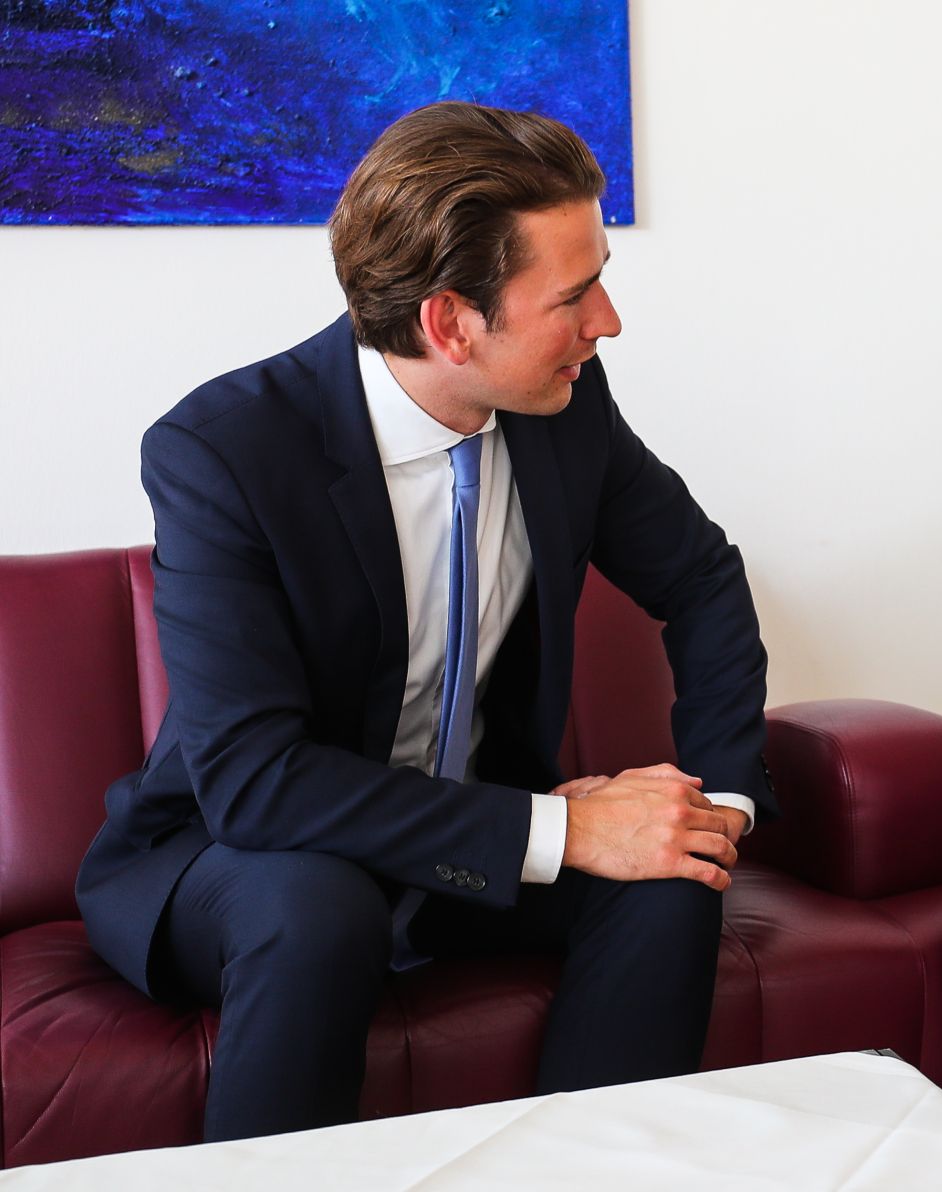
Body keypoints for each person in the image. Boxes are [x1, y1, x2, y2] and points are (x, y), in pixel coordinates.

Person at [76, 101, 775, 1142]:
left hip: (457, 842)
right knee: (318, 906)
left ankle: (592, 1175)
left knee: (672, 877)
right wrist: (563, 826)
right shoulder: (226, 451)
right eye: (574, 295)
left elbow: (703, 580)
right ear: (450, 322)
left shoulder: (564, 406)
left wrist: (712, 804)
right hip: (236, 856)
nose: (607, 322)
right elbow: (254, 778)